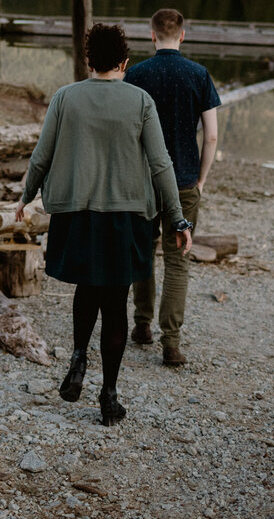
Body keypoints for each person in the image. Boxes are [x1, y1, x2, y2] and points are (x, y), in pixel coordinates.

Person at [15, 22, 192, 426]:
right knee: (115, 303)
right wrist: (177, 217)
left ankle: (78, 356)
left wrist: (26, 196)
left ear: (89, 60)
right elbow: (161, 163)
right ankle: (109, 396)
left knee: (86, 287)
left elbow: (42, 155)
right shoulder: (141, 101)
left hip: (78, 213)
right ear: (125, 62)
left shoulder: (65, 97)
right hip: (127, 216)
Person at [125, 7, 221, 366]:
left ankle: (142, 325)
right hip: (183, 181)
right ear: (182, 35)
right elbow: (210, 136)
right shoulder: (199, 74)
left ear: (152, 36)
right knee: (178, 259)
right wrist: (202, 179)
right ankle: (172, 343)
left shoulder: (135, 75)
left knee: (144, 252)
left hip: (143, 182)